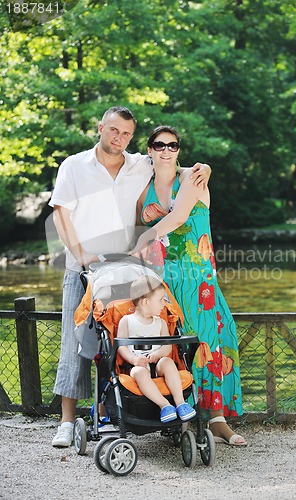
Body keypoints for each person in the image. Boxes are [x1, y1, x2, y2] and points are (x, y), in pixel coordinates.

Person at [49, 107, 211, 447]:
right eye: (113, 130)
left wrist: (205, 169)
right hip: (85, 268)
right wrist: (79, 255)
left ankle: (146, 408)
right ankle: (66, 420)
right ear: (100, 128)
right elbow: (61, 213)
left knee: (137, 337)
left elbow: (172, 161)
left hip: (129, 269)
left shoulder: (140, 164)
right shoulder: (75, 166)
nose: (118, 138)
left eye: (125, 133)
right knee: (76, 343)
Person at [130, 125, 247, 446]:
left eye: (173, 145)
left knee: (210, 342)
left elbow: (179, 217)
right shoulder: (144, 190)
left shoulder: (194, 178)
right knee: (173, 345)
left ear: (179, 150)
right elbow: (136, 229)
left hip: (198, 280)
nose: (166, 150)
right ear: (150, 150)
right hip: (163, 280)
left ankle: (218, 420)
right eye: (159, 145)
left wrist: (145, 235)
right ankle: (184, 415)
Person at [117, 275, 196, 423]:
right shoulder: (127, 321)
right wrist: (134, 360)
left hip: (158, 363)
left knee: (167, 361)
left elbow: (167, 347)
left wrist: (158, 354)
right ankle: (165, 405)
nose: (164, 304)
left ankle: (180, 403)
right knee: (139, 372)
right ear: (146, 302)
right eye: (161, 300)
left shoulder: (160, 323)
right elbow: (121, 348)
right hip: (138, 364)